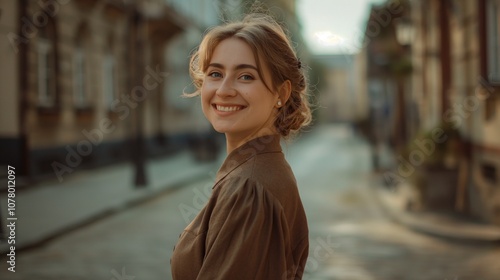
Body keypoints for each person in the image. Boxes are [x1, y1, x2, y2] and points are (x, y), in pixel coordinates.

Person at [171, 13, 312, 280]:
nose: (223, 90)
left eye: (246, 76)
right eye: (215, 73)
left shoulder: (250, 188)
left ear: (281, 94)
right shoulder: (258, 170)